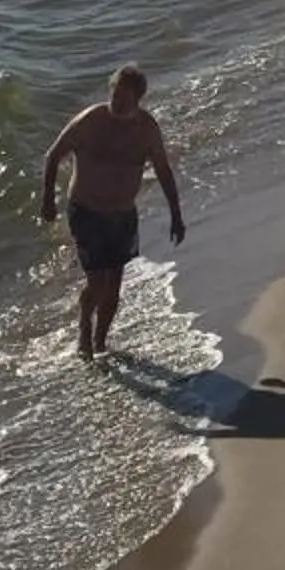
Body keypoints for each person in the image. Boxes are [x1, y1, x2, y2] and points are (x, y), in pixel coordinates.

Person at [39, 64, 186, 359]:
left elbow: (163, 172)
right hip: (86, 211)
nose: (116, 103)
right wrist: (48, 200)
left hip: (122, 216)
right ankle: (83, 329)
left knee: (114, 284)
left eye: (124, 99)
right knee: (97, 282)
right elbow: (53, 155)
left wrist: (176, 215)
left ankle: (100, 341)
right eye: (114, 95)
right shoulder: (90, 120)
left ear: (138, 100)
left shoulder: (147, 130)